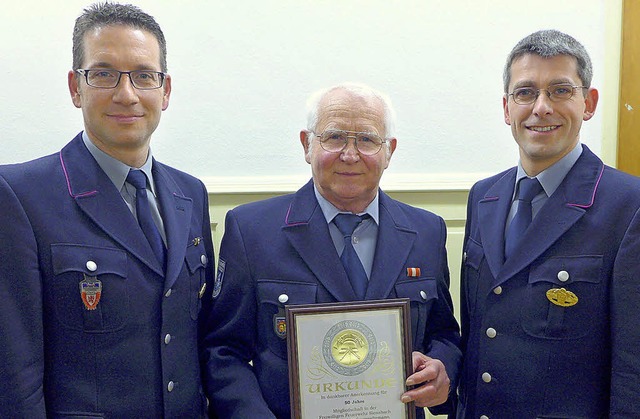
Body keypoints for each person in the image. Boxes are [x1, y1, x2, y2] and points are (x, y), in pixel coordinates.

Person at [0, 3, 214, 417]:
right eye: (103, 74)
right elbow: (14, 371)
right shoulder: (19, 196)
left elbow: (194, 338)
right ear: (75, 87)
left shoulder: (191, 193)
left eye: (144, 76)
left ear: (165, 90)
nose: (126, 94)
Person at [201, 82, 461, 418]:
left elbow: (444, 334)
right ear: (307, 145)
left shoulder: (426, 231)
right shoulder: (251, 231)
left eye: (367, 140)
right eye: (334, 137)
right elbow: (224, 351)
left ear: (389, 151)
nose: (350, 154)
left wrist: (442, 371)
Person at [458, 29, 640, 418]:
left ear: (588, 103)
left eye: (560, 90)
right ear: (507, 108)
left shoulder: (628, 205)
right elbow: (479, 332)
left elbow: (633, 362)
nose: (541, 107)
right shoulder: (483, 197)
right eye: (525, 93)